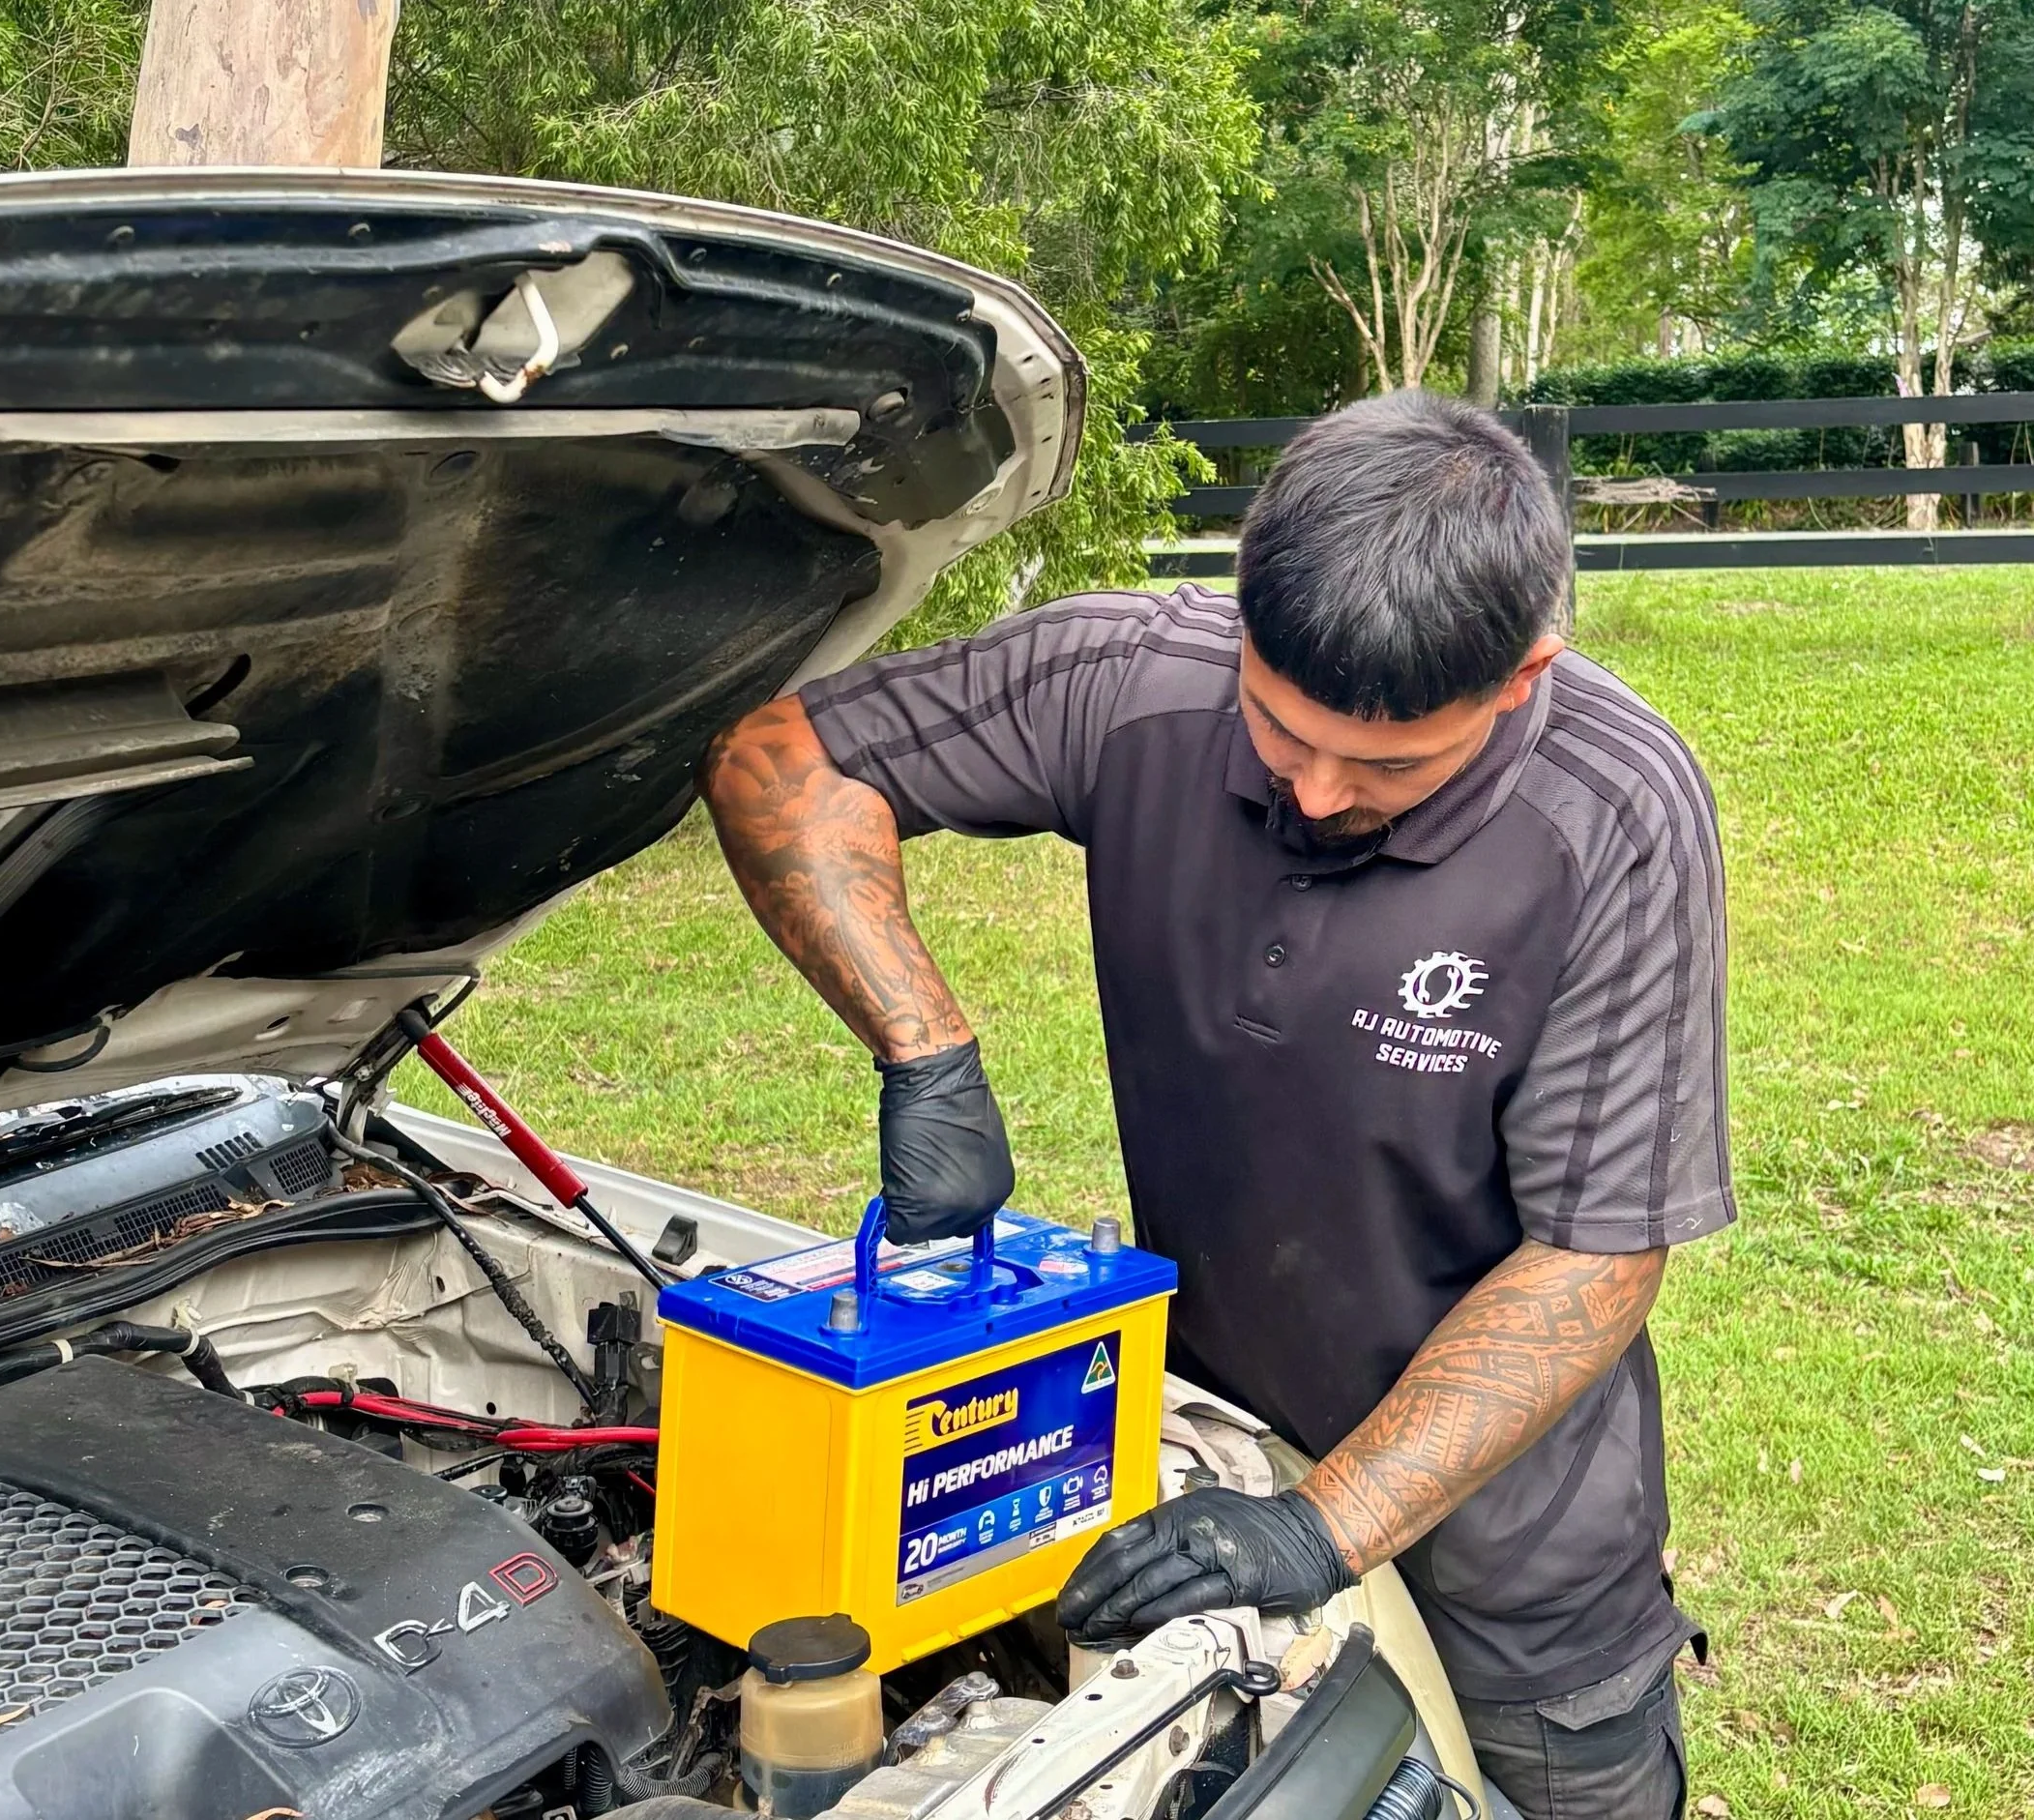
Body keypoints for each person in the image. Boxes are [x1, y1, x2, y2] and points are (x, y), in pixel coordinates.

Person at [698, 390, 1732, 1819]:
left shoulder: (1615, 812)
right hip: (1205, 1448)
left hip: (1513, 1563)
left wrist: (1326, 1527)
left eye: (1383, 767)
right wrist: (922, 1045)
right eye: (1277, 725)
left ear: (1522, 674)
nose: (1308, 791)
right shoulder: (1129, 673)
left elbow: (1595, 1255)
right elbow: (778, 759)